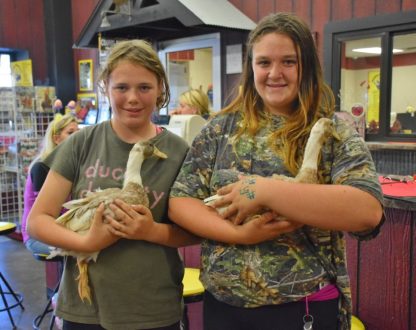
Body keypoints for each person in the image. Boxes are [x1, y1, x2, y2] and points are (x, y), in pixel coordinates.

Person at [168, 13, 383, 330]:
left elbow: (367, 212)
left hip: (302, 307)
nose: (275, 73)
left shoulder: (331, 129)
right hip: (223, 307)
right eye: (264, 62)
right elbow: (180, 201)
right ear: (251, 67)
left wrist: (262, 190)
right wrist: (239, 233)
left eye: (289, 62)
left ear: (306, 65)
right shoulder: (220, 130)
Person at [28, 39, 198, 330]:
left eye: (144, 87)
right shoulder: (81, 143)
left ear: (160, 88)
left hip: (153, 308)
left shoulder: (179, 152)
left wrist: (151, 231)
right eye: (122, 87)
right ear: (105, 87)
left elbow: (193, 232)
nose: (133, 98)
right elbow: (37, 221)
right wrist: (87, 243)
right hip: (85, 309)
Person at [22, 113, 79, 255]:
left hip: (64, 229)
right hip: (37, 236)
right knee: (79, 250)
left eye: (78, 132)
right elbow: (49, 215)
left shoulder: (73, 165)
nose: (77, 136)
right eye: (71, 133)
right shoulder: (41, 167)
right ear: (56, 138)